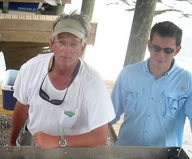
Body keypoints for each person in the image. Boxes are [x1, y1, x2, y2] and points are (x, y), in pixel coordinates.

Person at [110, 21, 192, 159]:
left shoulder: (188, 81)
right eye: (156, 48)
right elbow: (108, 116)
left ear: (177, 50)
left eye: (168, 50)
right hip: (123, 158)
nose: (161, 55)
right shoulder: (128, 74)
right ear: (148, 45)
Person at [8, 12, 115, 149]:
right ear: (52, 43)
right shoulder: (30, 68)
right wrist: (11, 142)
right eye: (61, 42)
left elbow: (100, 138)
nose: (66, 50)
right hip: (34, 140)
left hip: (74, 149)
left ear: (83, 48)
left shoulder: (93, 83)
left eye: (74, 44)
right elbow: (21, 107)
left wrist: (58, 141)